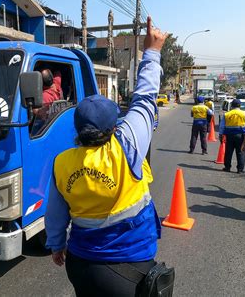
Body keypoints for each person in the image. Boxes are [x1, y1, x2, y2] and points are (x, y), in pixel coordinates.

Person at [44, 17, 168, 296]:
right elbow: (145, 98)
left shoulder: (62, 162)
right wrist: (152, 51)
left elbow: (55, 213)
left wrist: (55, 244)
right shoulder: (126, 145)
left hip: (80, 265)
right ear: (114, 127)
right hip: (130, 265)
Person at [219, 99, 245, 173]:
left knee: (228, 151)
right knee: (241, 152)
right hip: (240, 136)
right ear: (240, 105)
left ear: (232, 105)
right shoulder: (244, 114)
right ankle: (240, 169)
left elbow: (222, 126)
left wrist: (221, 135)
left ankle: (227, 167)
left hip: (229, 135)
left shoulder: (227, 114)